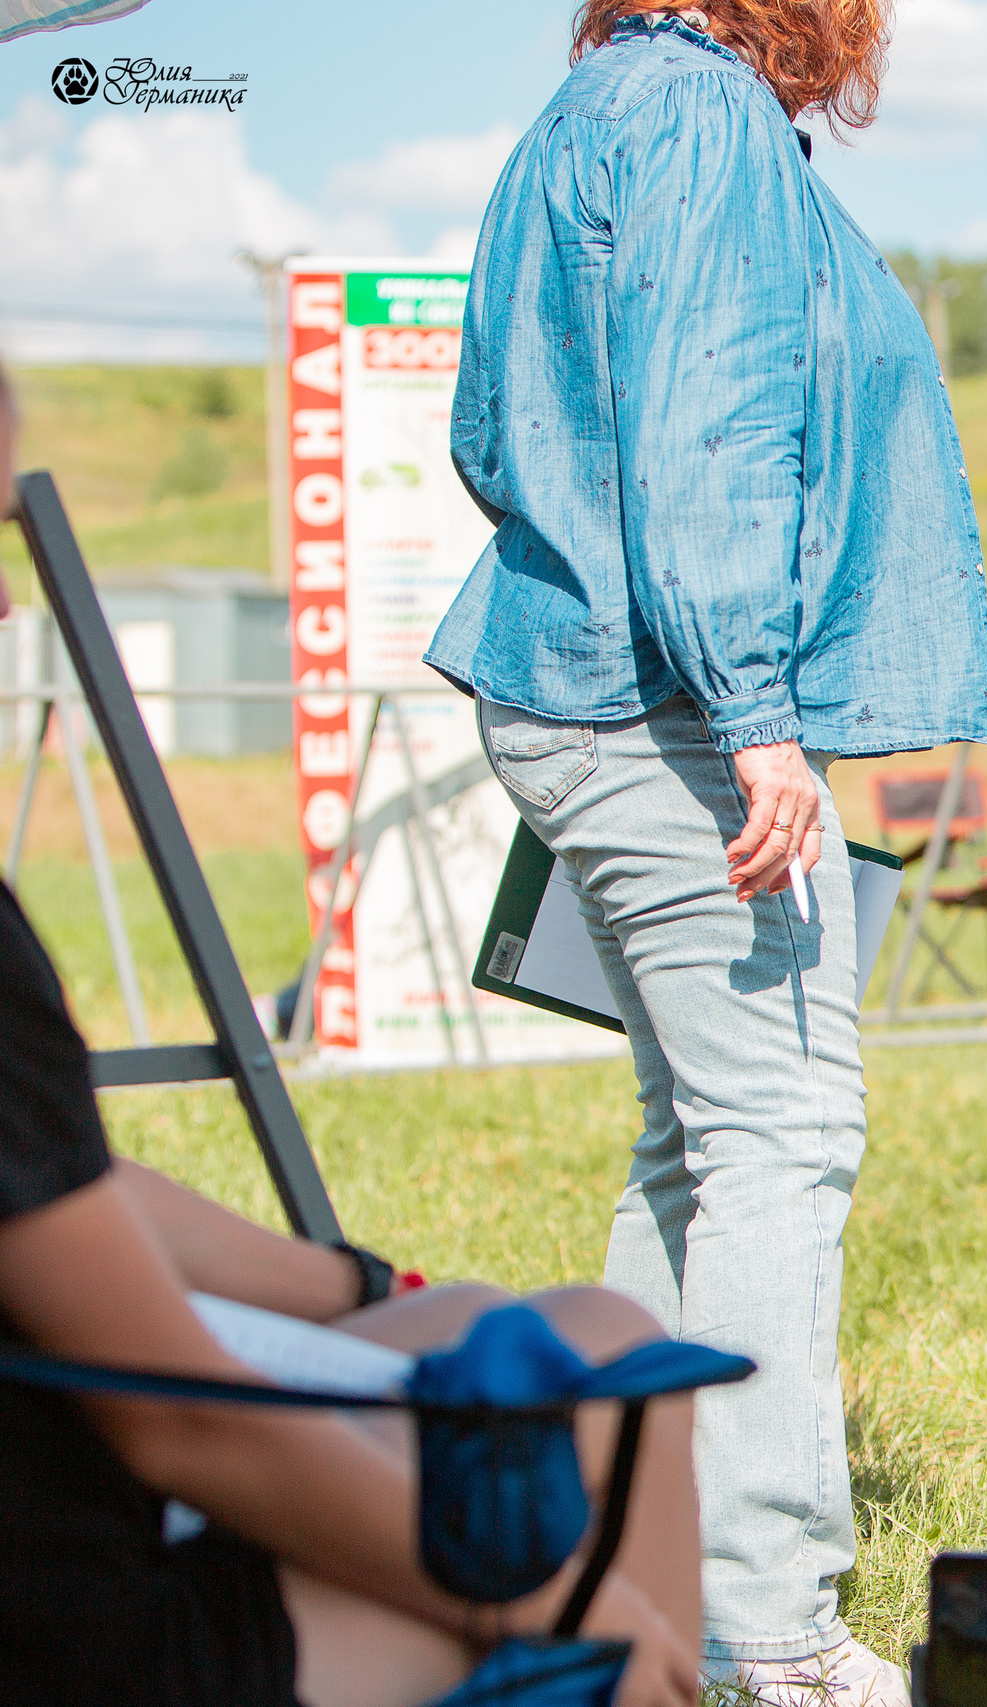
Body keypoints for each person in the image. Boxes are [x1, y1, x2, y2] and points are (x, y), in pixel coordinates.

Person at [423, 5, 987, 1700]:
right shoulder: (703, 121)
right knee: (781, 1135)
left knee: (703, 1139)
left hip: (585, 681)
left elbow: (493, 429)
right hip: (668, 703)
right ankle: (769, 1627)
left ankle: (625, 1571)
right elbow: (713, 430)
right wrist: (755, 708)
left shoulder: (585, 113)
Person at [2, 361, 703, 1705]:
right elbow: (179, 1415)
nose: (3, 602)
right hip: (77, 1593)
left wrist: (363, 1289)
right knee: (601, 1501)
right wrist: (571, 1596)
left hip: (79, 1447)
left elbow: (69, 1186)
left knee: (601, 1334)